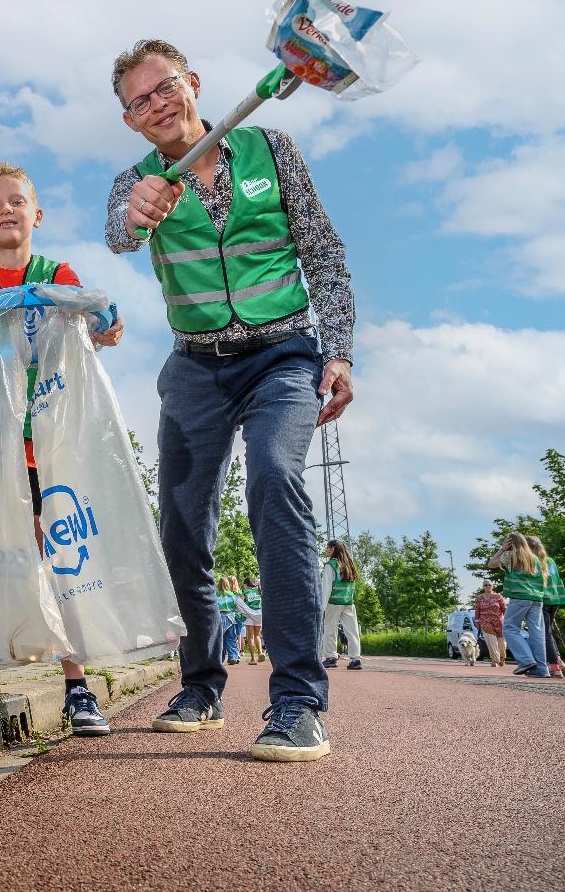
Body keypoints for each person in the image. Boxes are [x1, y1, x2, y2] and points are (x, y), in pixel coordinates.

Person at [106, 39, 355, 762]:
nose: (157, 104)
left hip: (282, 357)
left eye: (165, 87)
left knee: (275, 479)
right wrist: (137, 212)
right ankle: (200, 686)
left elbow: (323, 254)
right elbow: (118, 234)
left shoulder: (272, 150)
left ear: (192, 83)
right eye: (139, 101)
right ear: (129, 121)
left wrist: (338, 350)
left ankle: (298, 702)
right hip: (195, 369)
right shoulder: (134, 182)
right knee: (182, 527)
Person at [0, 162, 123, 734]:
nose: (6, 210)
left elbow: (85, 313)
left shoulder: (55, 273)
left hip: (50, 444)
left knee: (62, 559)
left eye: (16, 201)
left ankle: (78, 686)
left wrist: (103, 323)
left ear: (37, 214)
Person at [486, 532, 549, 678]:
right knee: (537, 634)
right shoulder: (534, 558)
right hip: (537, 599)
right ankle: (542, 669)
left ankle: (526, 660)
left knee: (509, 629)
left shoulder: (510, 555)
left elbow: (491, 564)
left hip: (520, 597)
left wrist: (502, 549)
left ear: (510, 543)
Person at [319, 540, 362, 670]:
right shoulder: (349, 564)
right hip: (348, 602)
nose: (326, 550)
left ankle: (331, 657)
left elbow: (326, 587)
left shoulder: (330, 565)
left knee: (330, 629)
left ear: (333, 549)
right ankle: (356, 659)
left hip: (333, 602)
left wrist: (322, 607)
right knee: (352, 631)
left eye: (328, 548)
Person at [529, 536, 565, 677]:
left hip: (543, 600)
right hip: (556, 599)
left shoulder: (533, 561)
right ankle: (558, 660)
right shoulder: (550, 561)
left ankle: (555, 667)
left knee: (544, 635)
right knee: (548, 633)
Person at [473, 580, 507, 668]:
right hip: (485, 622)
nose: (487, 586)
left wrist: (508, 620)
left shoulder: (498, 596)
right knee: (491, 641)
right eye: (485, 585)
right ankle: (495, 660)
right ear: (483, 587)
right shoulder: (479, 598)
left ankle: (502, 657)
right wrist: (477, 622)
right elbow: (477, 610)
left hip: (499, 622)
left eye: (489, 585)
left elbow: (504, 608)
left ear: (492, 586)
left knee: (501, 642)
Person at [216, 574, 244, 665]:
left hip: (219, 618)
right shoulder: (232, 595)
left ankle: (220, 658)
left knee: (220, 639)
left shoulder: (216, 594)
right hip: (231, 618)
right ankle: (233, 656)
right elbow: (237, 606)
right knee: (231, 638)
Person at [238, 575, 265, 665]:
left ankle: (253, 659)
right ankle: (260, 653)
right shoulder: (258, 590)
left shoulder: (245, 591)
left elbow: (241, 602)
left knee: (250, 637)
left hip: (249, 615)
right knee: (257, 635)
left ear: (246, 584)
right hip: (259, 615)